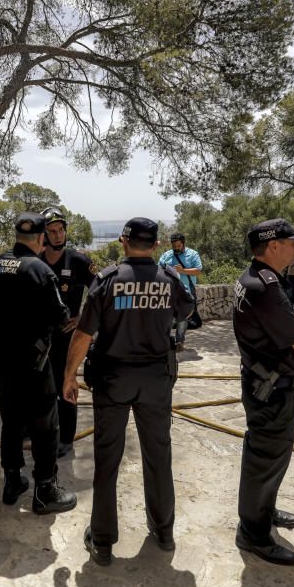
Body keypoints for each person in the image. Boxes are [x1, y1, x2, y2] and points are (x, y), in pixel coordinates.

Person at [63, 217, 195, 566]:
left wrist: (68, 377)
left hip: (113, 379)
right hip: (155, 379)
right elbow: (187, 310)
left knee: (107, 459)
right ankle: (164, 531)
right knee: (158, 455)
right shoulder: (169, 279)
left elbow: (82, 334)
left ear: (124, 242)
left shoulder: (107, 281)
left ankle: (103, 542)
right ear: (155, 246)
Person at [233, 218, 294, 566]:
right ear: (272, 246)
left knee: (270, 458)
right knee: (265, 459)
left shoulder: (259, 278)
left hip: (267, 383)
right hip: (271, 387)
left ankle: (263, 510)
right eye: (291, 243)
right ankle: (253, 532)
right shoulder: (264, 286)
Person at [0, 212, 77, 515]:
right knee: (45, 426)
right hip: (34, 363)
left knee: (11, 421)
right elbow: (61, 316)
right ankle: (45, 490)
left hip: (4, 360)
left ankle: (12, 481)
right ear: (41, 238)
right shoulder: (39, 269)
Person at [39, 206, 95, 458]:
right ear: (44, 234)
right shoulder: (35, 260)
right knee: (39, 386)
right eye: (52, 231)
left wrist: (83, 317)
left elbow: (101, 291)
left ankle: (66, 438)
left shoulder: (79, 261)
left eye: (61, 230)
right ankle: (37, 427)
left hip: (67, 339)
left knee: (66, 384)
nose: (58, 235)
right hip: (40, 337)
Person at [157, 233, 202, 350]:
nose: (176, 248)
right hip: (168, 291)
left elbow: (198, 271)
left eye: (178, 245)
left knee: (183, 316)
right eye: (174, 246)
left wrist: (183, 270)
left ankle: (179, 342)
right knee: (166, 316)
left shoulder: (193, 254)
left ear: (183, 243)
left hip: (186, 291)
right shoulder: (166, 256)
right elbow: (158, 270)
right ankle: (165, 339)